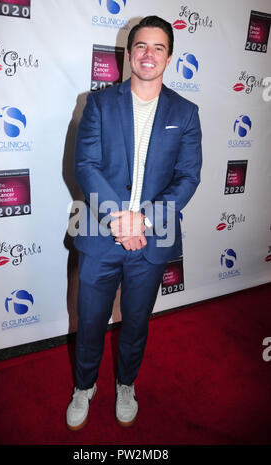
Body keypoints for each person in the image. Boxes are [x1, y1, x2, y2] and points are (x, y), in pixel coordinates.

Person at [66, 15, 202, 430]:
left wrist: (142, 221)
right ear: (129, 54)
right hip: (98, 233)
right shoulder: (99, 103)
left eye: (158, 48)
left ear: (169, 57)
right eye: (141, 46)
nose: (149, 55)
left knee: (137, 321)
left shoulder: (187, 112)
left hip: (153, 236)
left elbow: (188, 176)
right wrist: (118, 220)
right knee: (89, 320)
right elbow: (85, 165)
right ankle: (83, 386)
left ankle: (127, 383)